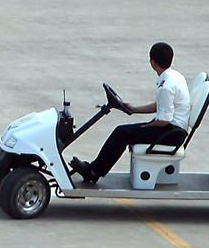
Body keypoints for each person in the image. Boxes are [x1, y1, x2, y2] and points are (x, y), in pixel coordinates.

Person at [70, 42, 190, 185]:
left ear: (152, 62)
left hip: (171, 133)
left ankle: (94, 172)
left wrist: (147, 126)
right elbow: (161, 106)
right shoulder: (175, 76)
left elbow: (163, 120)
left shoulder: (166, 87)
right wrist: (134, 109)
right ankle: (95, 169)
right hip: (172, 129)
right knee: (126, 131)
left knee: (122, 132)